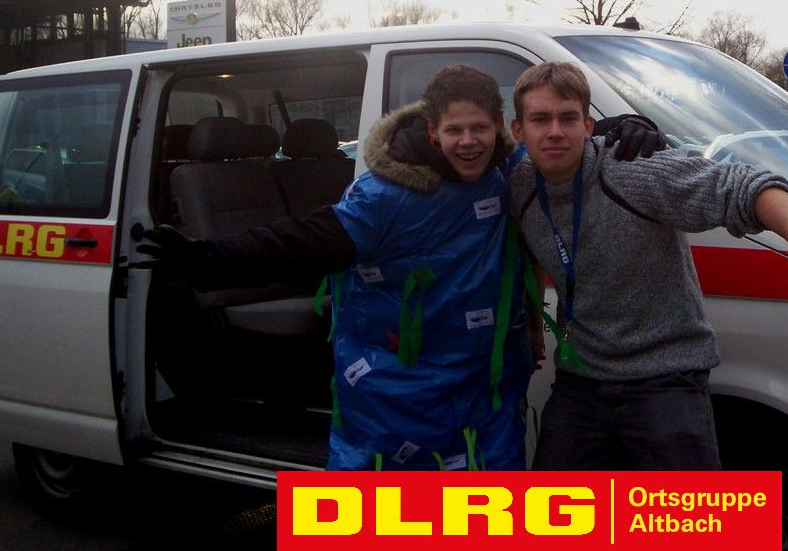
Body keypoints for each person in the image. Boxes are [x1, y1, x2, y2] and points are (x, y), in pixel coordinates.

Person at [143, 64, 661, 471]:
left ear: (500, 130)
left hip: (483, 394)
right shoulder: (383, 196)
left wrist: (619, 128)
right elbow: (298, 242)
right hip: (399, 395)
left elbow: (557, 138)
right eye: (455, 130)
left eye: (479, 128)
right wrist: (205, 258)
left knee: (484, 513)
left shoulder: (505, 168)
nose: (468, 142)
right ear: (433, 132)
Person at [508, 61, 788, 470]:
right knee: (554, 506)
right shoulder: (519, 187)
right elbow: (523, 243)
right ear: (518, 130)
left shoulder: (631, 170)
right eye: (540, 119)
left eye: (568, 118)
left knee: (686, 510)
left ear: (588, 126)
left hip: (664, 378)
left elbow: (744, 186)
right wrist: (532, 323)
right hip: (583, 378)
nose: (555, 131)